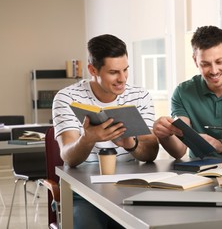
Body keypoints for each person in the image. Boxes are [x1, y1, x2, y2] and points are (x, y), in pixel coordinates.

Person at [52, 34, 159, 229]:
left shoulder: (139, 96)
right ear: (93, 70)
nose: (122, 79)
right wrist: (88, 139)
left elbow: (151, 152)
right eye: (113, 72)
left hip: (128, 189)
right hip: (82, 193)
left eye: (126, 70)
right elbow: (68, 156)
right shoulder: (67, 98)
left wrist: (131, 144)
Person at [153, 25, 222, 161]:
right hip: (198, 174)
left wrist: (221, 146)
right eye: (205, 64)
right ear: (195, 60)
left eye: (219, 62)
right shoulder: (182, 93)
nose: (214, 71)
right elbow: (179, 151)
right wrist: (164, 135)